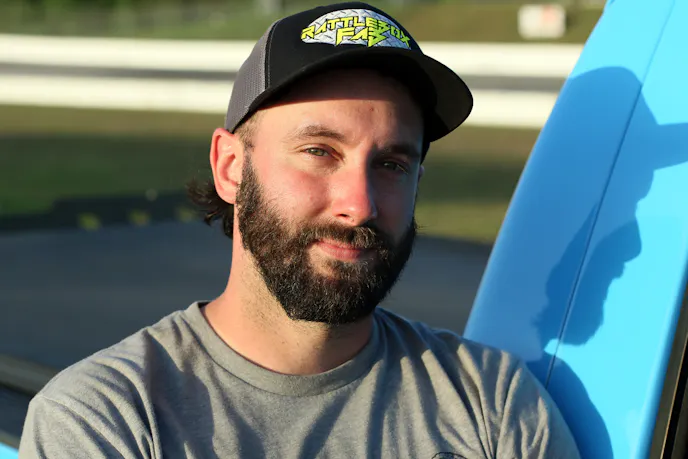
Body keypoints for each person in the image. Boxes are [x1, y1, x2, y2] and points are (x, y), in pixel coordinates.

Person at [19, 2, 581, 458]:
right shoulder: (106, 420)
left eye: (391, 164)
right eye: (319, 151)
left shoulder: (493, 405)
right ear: (231, 167)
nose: (359, 205)